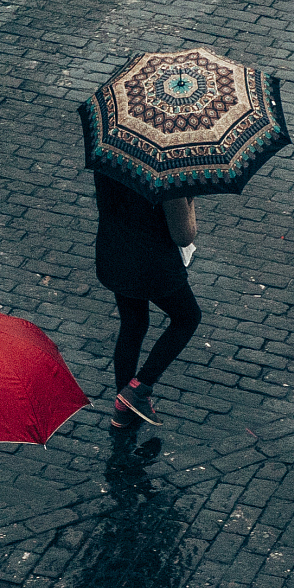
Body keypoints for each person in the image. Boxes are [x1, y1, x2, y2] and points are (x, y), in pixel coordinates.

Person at [94, 173, 202, 427]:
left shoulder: (113, 157)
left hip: (115, 250)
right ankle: (138, 389)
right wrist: (189, 195)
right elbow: (183, 234)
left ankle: (123, 409)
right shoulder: (169, 173)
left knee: (133, 323)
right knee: (187, 318)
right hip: (152, 264)